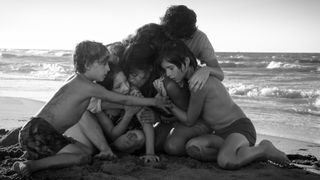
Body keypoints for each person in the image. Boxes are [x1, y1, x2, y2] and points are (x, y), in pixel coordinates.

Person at [12, 40, 170, 176]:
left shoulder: (78, 81)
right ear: (88, 65)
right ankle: (31, 166)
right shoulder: (86, 86)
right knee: (83, 158)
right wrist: (155, 102)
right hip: (38, 131)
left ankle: (36, 157)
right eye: (103, 64)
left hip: (37, 131)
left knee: (88, 152)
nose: (108, 69)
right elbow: (123, 99)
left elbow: (112, 103)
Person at [155, 40, 289, 170]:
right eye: (165, 69)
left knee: (226, 161)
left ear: (185, 62)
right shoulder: (196, 75)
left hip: (238, 128)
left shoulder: (198, 84)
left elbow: (189, 121)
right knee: (193, 148)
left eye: (171, 68)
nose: (168, 74)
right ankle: (238, 151)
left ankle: (263, 148)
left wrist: (169, 105)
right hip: (219, 134)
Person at [160, 5, 224, 92]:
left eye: (182, 37)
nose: (176, 41)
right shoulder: (161, 33)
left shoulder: (200, 38)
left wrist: (206, 70)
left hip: (185, 82)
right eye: (172, 36)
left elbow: (220, 74)